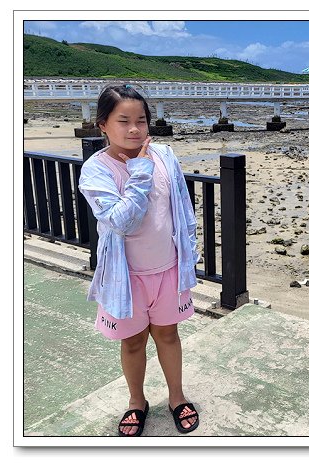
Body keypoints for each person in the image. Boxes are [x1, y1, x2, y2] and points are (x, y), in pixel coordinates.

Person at [79, 84, 200, 436]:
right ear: (103, 125)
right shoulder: (96, 171)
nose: (135, 129)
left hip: (168, 269)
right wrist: (141, 172)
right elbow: (121, 221)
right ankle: (136, 401)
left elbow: (182, 206)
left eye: (141, 121)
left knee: (168, 335)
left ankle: (177, 397)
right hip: (126, 276)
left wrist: (189, 253)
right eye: (124, 121)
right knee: (132, 342)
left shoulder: (165, 155)